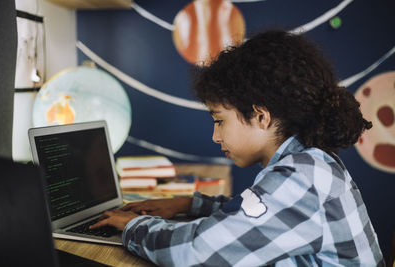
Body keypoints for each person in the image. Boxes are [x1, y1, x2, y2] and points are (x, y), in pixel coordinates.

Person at [90, 29, 384, 266]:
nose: (215, 136)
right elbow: (251, 217)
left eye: (219, 120)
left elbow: (197, 252)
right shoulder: (308, 163)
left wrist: (131, 227)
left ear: (260, 116)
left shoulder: (302, 177)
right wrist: (186, 204)